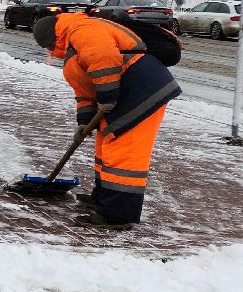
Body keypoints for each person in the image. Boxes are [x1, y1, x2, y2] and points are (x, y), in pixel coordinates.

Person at [32, 12, 181, 228]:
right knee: (106, 146)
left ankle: (116, 215)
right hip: (124, 93)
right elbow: (84, 89)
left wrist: (108, 96)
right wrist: (84, 121)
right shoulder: (73, 45)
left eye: (47, 46)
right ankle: (102, 199)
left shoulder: (81, 29)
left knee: (124, 153)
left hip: (140, 90)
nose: (49, 52)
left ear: (53, 38)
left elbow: (104, 59)